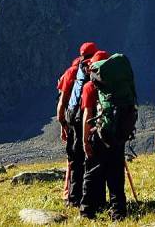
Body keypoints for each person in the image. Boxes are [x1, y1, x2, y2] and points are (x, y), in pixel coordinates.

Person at [81, 50, 127, 221]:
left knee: (92, 173)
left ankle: (87, 212)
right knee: (116, 175)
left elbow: (87, 115)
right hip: (118, 134)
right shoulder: (119, 83)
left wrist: (85, 140)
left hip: (98, 135)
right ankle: (118, 213)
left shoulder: (89, 87)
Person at [56, 41, 98, 207]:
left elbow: (63, 102)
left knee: (75, 160)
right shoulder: (98, 69)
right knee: (93, 159)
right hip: (93, 121)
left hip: (74, 121)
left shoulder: (72, 72)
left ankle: (73, 198)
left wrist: (63, 124)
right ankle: (92, 198)